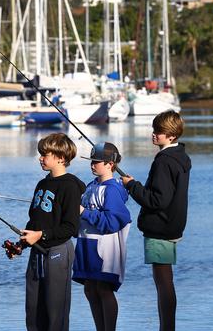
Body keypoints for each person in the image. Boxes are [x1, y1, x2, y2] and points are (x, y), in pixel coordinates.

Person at [121, 110, 191, 331]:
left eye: (159, 132)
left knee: (163, 282)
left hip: (160, 227)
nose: (154, 134)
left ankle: (167, 328)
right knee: (165, 280)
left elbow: (157, 199)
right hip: (172, 225)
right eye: (154, 130)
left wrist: (131, 186)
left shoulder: (164, 161)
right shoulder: (180, 157)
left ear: (171, 136)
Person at [20, 132, 86, 331]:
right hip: (36, 252)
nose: (40, 158)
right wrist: (21, 244)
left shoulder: (70, 187)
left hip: (58, 251)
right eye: (41, 154)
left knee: (55, 313)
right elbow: (35, 220)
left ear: (61, 158)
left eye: (45, 154)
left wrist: (41, 235)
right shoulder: (42, 184)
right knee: (33, 311)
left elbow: (70, 227)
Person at [73, 142, 131, 331]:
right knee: (89, 288)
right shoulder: (91, 185)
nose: (92, 165)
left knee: (103, 288)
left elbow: (113, 222)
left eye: (97, 161)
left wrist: (84, 212)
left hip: (104, 248)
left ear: (110, 164)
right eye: (92, 161)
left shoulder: (112, 189)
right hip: (85, 243)